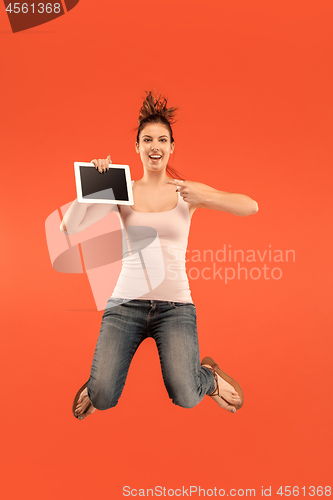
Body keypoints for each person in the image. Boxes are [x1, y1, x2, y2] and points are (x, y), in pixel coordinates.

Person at [60, 91, 258, 420]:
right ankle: (99, 386)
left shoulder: (186, 191)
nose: (155, 146)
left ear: (171, 147)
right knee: (104, 397)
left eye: (162, 140)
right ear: (137, 147)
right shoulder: (121, 190)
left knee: (186, 396)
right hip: (126, 305)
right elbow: (68, 227)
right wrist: (94, 185)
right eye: (148, 139)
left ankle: (209, 378)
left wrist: (208, 195)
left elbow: (250, 207)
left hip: (175, 308)